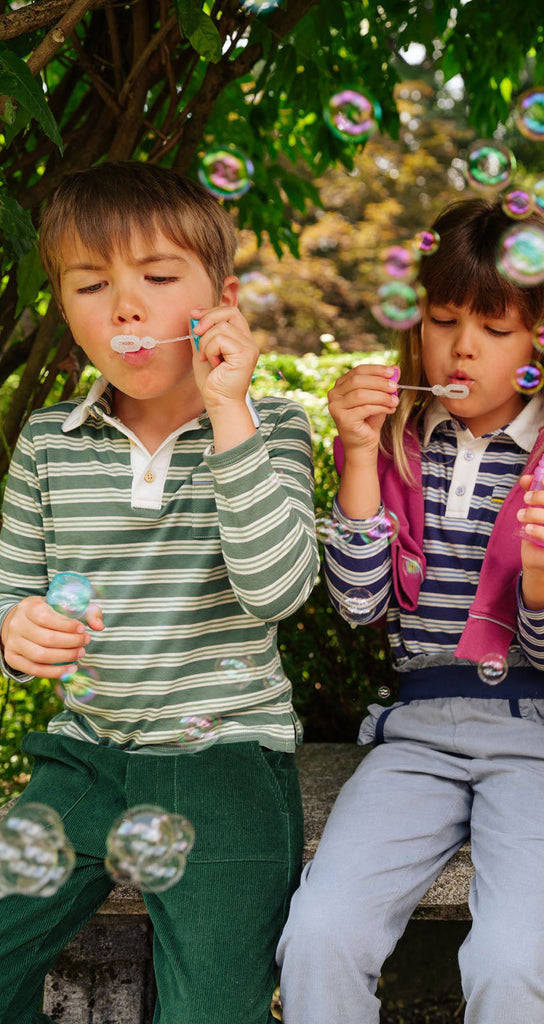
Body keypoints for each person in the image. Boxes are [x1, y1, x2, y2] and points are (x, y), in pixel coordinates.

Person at [276, 197, 544, 1024]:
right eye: (442, 318)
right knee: (320, 932)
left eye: (495, 329)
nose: (462, 346)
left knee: (512, 958)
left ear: (543, 343)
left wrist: (543, 573)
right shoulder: (393, 446)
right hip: (416, 733)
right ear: (415, 326)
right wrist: (357, 455)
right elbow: (359, 604)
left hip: (541, 734)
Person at [0, 161, 319, 1024]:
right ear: (64, 307)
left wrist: (229, 412)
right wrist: (18, 631)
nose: (125, 308)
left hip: (225, 762)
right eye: (92, 284)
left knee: (212, 1009)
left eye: (158, 276)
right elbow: (14, 598)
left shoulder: (271, 426)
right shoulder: (48, 443)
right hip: (86, 753)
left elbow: (277, 590)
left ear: (220, 297)